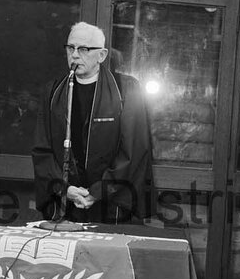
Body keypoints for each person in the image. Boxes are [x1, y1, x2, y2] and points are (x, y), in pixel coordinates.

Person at [31, 21, 153, 224]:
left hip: (110, 202)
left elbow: (134, 151)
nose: (75, 55)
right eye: (71, 48)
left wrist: (98, 191)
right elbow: (42, 149)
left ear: (102, 55)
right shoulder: (53, 91)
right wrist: (64, 188)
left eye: (84, 49)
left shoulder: (126, 89)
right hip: (66, 202)